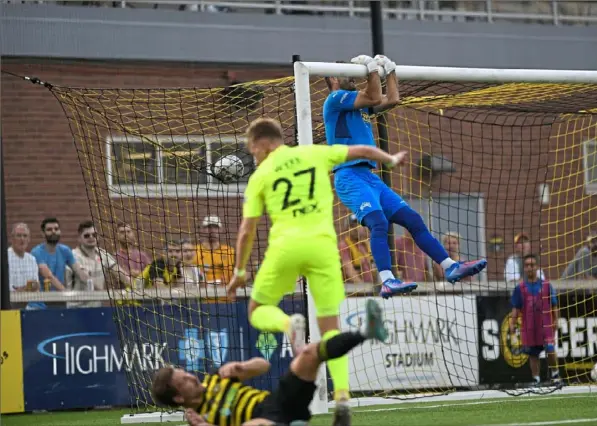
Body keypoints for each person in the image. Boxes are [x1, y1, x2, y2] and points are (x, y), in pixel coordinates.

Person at [225, 117, 408, 422]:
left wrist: (240, 271)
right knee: (331, 329)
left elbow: (246, 230)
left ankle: (288, 325)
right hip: (323, 248)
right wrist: (389, 158)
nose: (253, 155)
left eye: (252, 149)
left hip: (285, 248)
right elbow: (361, 149)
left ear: (261, 143)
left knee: (257, 309)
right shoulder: (314, 153)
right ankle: (343, 398)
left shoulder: (262, 174)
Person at [323, 53, 487, 297]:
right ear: (333, 78)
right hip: (349, 176)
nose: (351, 75)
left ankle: (450, 266)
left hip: (368, 176)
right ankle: (387, 280)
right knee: (379, 222)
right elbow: (375, 95)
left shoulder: (358, 103)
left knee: (413, 220)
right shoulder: (336, 99)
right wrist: (370, 70)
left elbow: (392, 99)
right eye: (346, 71)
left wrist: (390, 72)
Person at [151, 299, 388, 426]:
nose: (192, 376)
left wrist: (243, 367)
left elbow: (263, 366)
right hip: (263, 422)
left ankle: (367, 331)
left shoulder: (216, 378)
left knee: (308, 354)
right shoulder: (199, 420)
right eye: (185, 380)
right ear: (179, 398)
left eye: (186, 373)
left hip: (277, 402)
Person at [509, 253, 560, 385]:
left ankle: (555, 374)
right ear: (524, 269)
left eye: (532, 265)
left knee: (550, 349)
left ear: (537, 267)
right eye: (527, 265)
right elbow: (515, 309)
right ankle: (536, 378)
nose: (529, 267)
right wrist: (512, 325)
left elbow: (554, 304)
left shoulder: (547, 285)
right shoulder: (519, 288)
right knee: (533, 354)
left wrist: (556, 320)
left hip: (546, 325)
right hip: (529, 326)